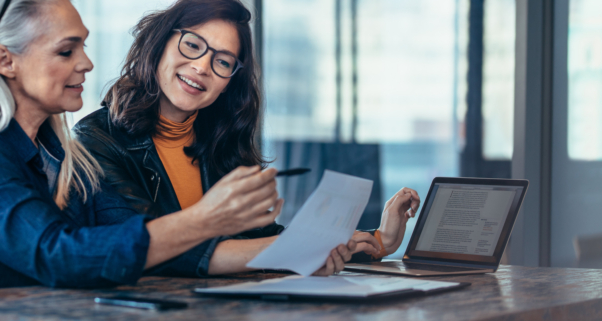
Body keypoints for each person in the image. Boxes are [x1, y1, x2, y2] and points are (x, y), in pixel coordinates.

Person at [0, 0, 370, 295]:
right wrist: (206, 219)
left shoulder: (63, 155)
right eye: (67, 51)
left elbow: (142, 241)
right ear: (5, 60)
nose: (86, 63)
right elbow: (57, 255)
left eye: (83, 46)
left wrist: (304, 249)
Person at [73, 0, 420, 261]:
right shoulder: (96, 139)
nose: (201, 67)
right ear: (160, 42)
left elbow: (261, 238)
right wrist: (292, 251)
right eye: (192, 45)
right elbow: (148, 248)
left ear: (229, 81)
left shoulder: (221, 141)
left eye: (222, 61)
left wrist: (378, 240)